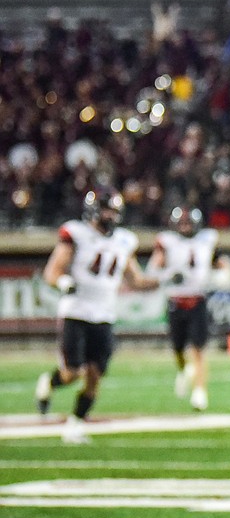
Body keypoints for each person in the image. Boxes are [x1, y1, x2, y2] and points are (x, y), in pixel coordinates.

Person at [36, 189, 161, 444]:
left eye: (114, 210)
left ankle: (75, 424)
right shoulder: (76, 234)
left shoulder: (125, 240)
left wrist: (162, 281)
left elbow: (135, 279)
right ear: (93, 210)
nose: (111, 215)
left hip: (104, 315)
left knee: (94, 375)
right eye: (106, 209)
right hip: (77, 312)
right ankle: (49, 381)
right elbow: (52, 271)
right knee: (72, 373)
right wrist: (63, 283)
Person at [147, 206, 230, 411]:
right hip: (176, 300)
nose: (185, 227)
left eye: (188, 223)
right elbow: (152, 270)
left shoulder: (206, 239)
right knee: (178, 350)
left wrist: (223, 276)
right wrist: (168, 276)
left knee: (199, 349)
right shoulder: (167, 242)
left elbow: (223, 263)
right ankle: (184, 370)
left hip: (197, 299)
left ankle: (200, 392)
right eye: (181, 223)